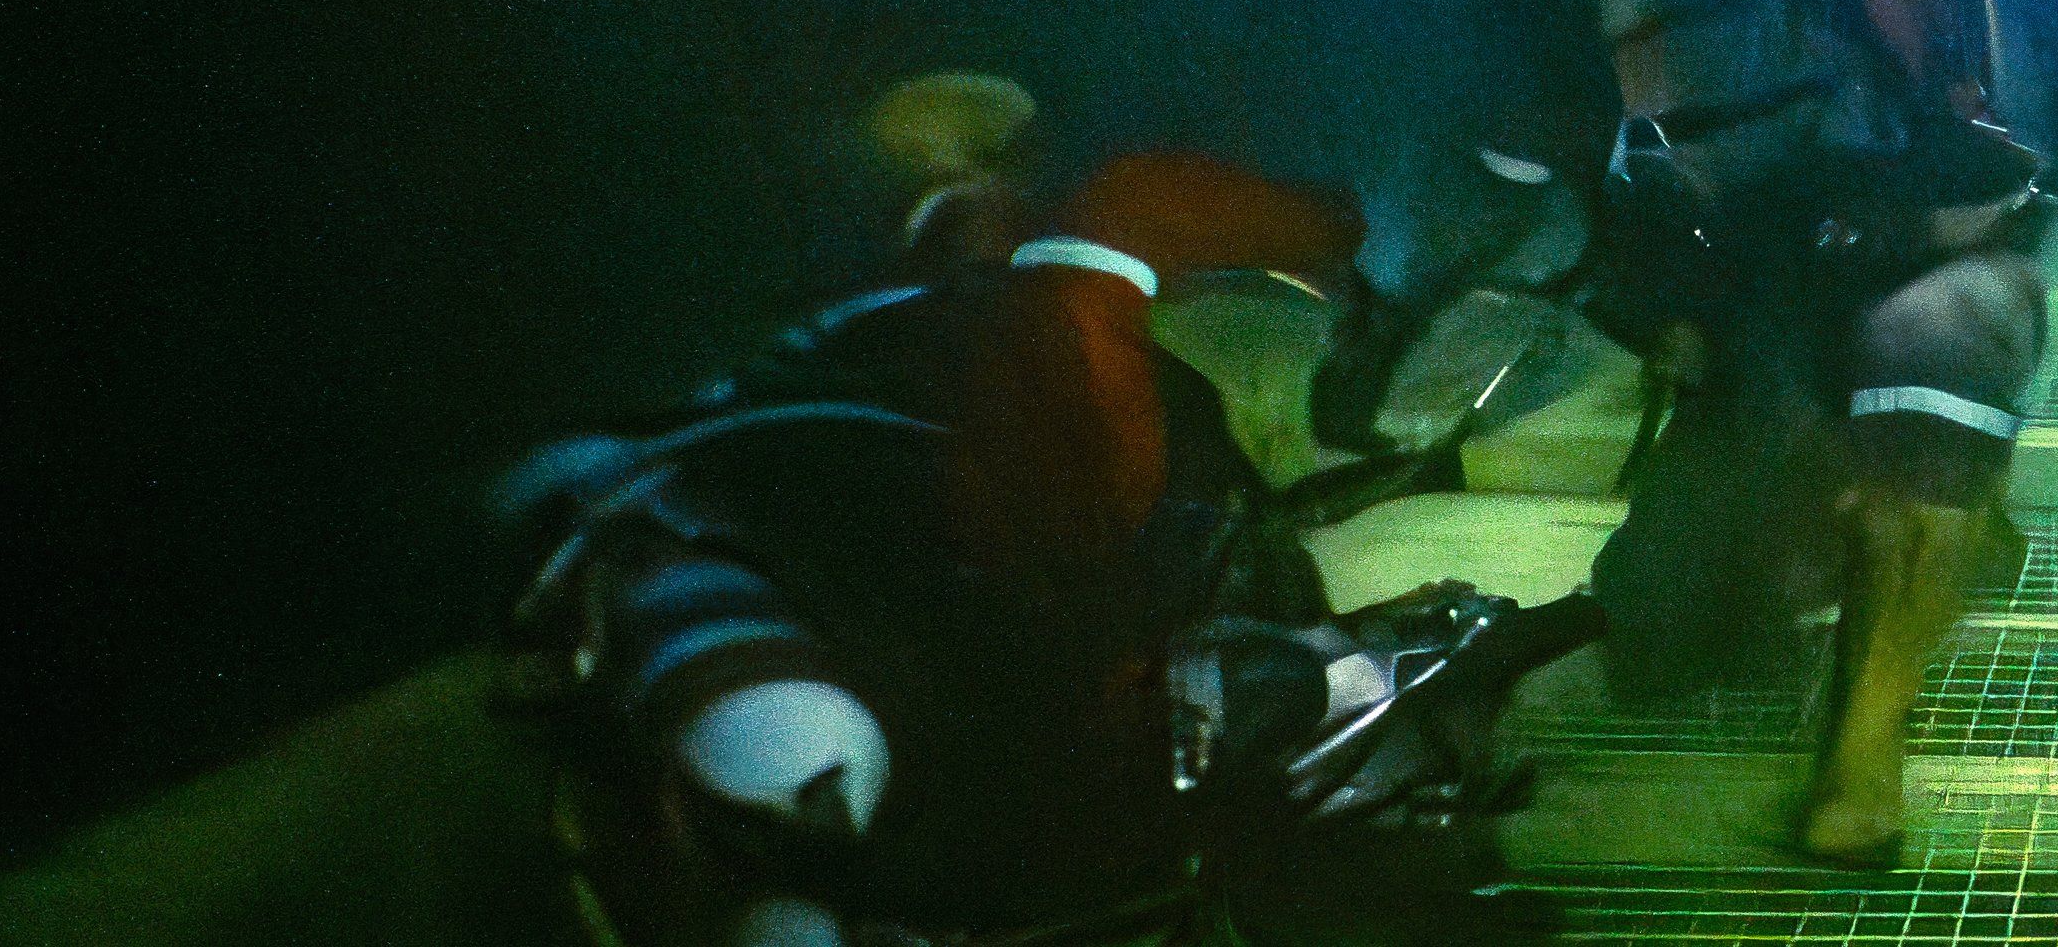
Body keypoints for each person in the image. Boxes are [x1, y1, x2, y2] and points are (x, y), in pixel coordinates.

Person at [1322, 0, 2058, 867]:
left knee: (1939, 363)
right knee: (1674, 625)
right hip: (1747, 303)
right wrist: (1391, 320)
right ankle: (1903, 527)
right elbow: (1491, 183)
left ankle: (1863, 767)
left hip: (1934, 243)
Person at [499, 148, 1593, 946]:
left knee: (807, 762)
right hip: (823, 612)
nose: (971, 199)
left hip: (926, 673)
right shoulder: (973, 334)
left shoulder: (1067, 342)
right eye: (944, 198)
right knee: (801, 753)